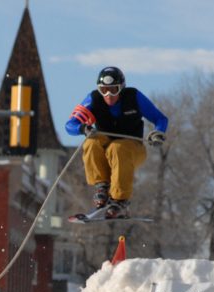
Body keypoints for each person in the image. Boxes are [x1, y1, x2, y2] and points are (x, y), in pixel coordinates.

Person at [66, 66, 169, 219]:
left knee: (117, 147)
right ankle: (102, 186)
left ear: (121, 88)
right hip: (105, 151)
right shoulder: (94, 99)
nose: (108, 95)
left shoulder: (133, 97)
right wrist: (83, 128)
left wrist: (157, 133)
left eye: (113, 90)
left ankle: (120, 200)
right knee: (91, 142)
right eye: (104, 90)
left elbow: (160, 118)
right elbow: (70, 125)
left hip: (132, 149)